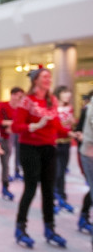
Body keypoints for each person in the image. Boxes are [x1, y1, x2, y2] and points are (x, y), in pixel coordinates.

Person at [12, 67, 75, 249]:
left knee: (49, 190)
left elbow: (56, 125)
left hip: (49, 148)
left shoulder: (51, 100)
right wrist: (35, 125)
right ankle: (20, 228)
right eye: (44, 76)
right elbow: (17, 127)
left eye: (49, 77)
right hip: (29, 148)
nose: (48, 79)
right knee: (31, 188)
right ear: (35, 80)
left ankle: (50, 229)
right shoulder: (27, 101)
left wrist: (71, 133)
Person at [0, 86, 25, 200]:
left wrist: (13, 127)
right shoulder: (1, 106)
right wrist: (8, 123)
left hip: (8, 138)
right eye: (19, 96)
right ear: (12, 95)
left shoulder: (20, 109)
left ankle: (5, 187)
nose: (20, 99)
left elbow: (20, 124)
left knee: (5, 163)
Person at [53, 85, 76, 213]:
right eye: (65, 92)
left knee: (62, 172)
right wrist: (66, 123)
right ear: (59, 94)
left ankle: (62, 197)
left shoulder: (70, 108)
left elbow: (71, 124)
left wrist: (72, 123)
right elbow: (54, 125)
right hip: (55, 143)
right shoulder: (53, 108)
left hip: (66, 143)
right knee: (57, 172)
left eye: (69, 92)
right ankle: (54, 198)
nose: (68, 95)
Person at [76, 91, 93, 234]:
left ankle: (84, 216)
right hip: (89, 154)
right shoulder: (89, 109)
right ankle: (84, 217)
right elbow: (79, 130)